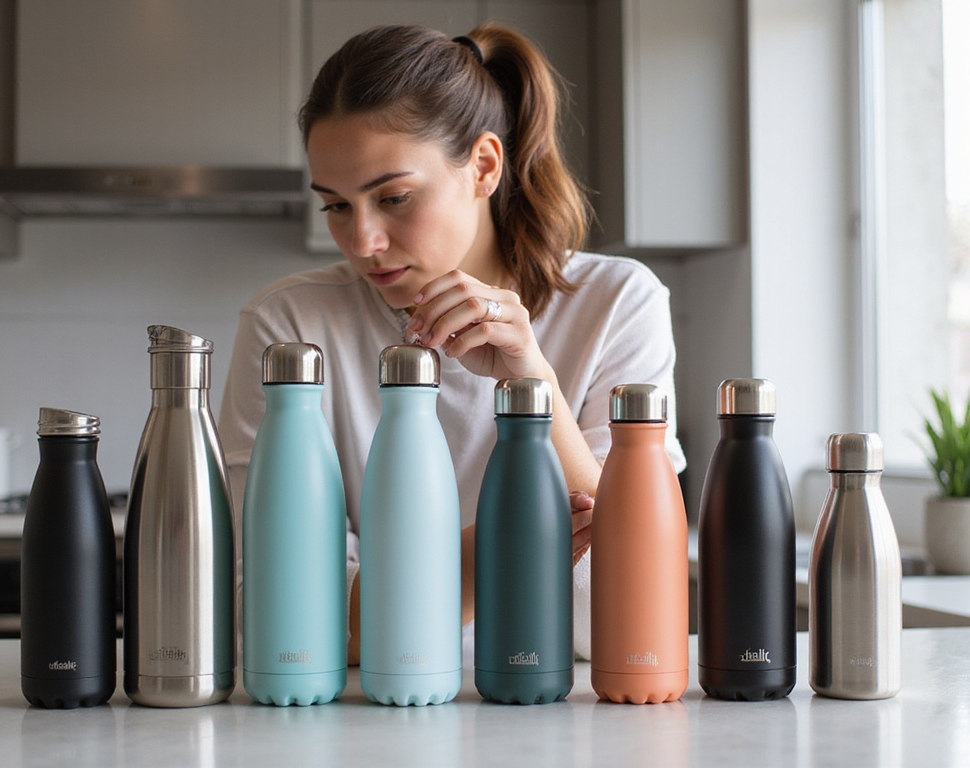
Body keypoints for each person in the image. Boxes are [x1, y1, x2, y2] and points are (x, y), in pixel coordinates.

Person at [218, 22, 685, 666]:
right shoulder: (291, 328)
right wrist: (514, 537)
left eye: (394, 197)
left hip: (566, 708)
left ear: (483, 166)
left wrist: (531, 380)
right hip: (366, 707)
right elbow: (278, 620)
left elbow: (624, 615)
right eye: (336, 206)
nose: (363, 242)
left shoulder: (618, 303)